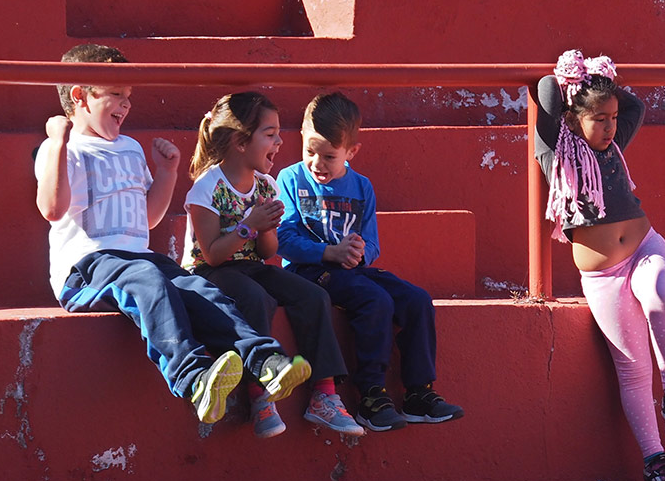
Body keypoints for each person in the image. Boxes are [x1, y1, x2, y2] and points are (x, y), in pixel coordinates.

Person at [34, 44, 311, 425]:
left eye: (129, 96)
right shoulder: (67, 149)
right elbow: (52, 209)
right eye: (116, 94)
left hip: (136, 259)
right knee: (148, 279)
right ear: (80, 96)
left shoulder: (129, 148)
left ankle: (263, 359)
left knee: (197, 287)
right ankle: (193, 379)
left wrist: (166, 173)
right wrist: (58, 142)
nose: (126, 104)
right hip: (88, 268)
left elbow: (147, 219)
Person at [532, 50, 665, 481]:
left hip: (646, 246)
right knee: (633, 368)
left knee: (660, 296)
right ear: (572, 118)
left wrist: (604, 83)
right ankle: (655, 459)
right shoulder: (554, 151)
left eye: (612, 117)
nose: (610, 127)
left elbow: (635, 108)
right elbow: (546, 89)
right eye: (599, 118)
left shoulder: (616, 143)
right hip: (604, 276)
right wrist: (577, 80)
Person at [276, 91, 464, 432]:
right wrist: (329, 252)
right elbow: (283, 240)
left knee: (416, 299)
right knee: (374, 299)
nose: (317, 164)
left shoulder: (362, 187)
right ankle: (371, 396)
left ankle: (418, 393)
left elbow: (373, 242)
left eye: (329, 156)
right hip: (309, 272)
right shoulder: (290, 179)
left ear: (351, 152)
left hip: (352, 270)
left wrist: (360, 251)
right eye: (310, 152)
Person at [183, 91, 365, 438]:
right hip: (212, 273)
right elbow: (212, 255)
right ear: (240, 141)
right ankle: (260, 397)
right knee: (255, 297)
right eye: (270, 134)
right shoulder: (207, 187)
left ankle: (324, 395)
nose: (280, 142)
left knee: (312, 296)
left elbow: (268, 252)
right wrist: (249, 224)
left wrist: (265, 227)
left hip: (252, 265)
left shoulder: (266, 185)